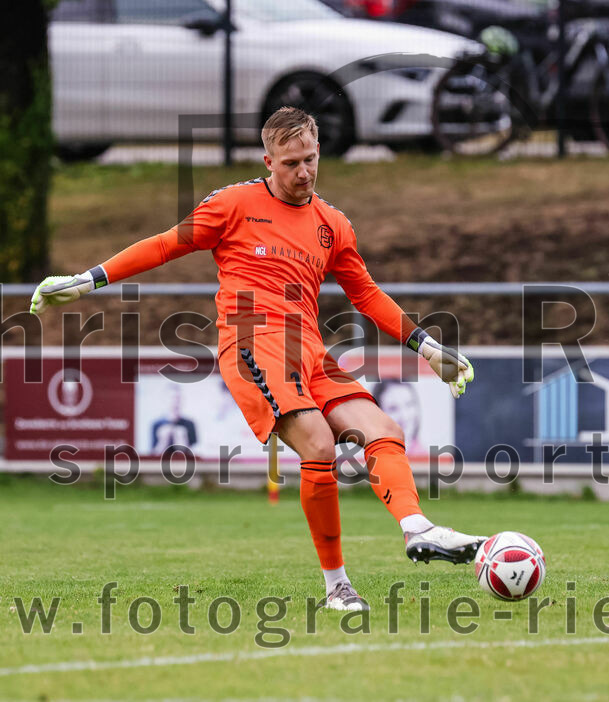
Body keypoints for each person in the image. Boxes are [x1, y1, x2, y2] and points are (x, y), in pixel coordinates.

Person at [30, 107, 482, 612]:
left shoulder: (333, 224)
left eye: (311, 159)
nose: (304, 172)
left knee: (384, 430)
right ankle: (337, 587)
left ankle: (417, 529)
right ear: (268, 161)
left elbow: (366, 294)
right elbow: (165, 245)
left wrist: (426, 345)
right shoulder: (235, 204)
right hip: (254, 342)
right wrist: (88, 279)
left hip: (311, 348)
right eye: (291, 163)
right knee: (318, 444)